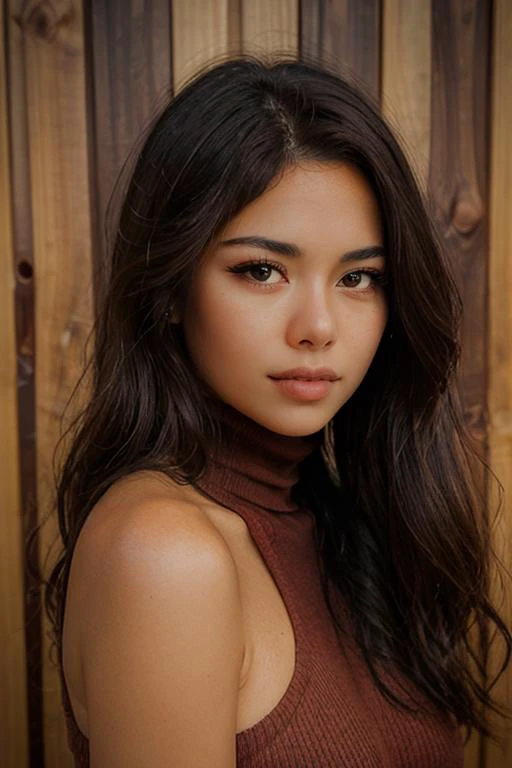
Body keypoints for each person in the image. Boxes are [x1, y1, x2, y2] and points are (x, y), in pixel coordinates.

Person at [41, 55, 511, 767]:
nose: (318, 325)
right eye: (261, 270)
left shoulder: (339, 525)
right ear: (169, 288)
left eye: (359, 277)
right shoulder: (167, 552)